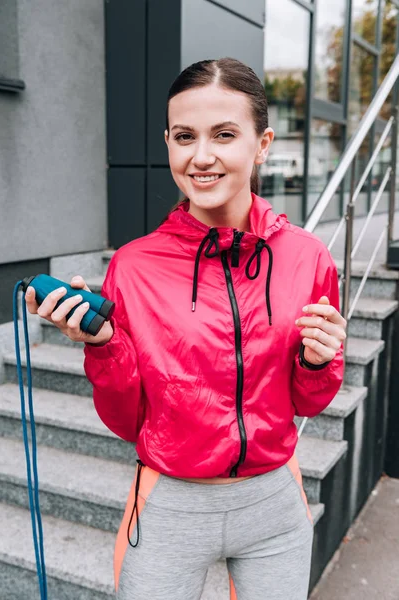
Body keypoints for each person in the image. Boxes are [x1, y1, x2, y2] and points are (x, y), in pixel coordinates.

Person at [26, 58, 346, 600]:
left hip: (272, 505)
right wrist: (103, 349)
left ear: (262, 143)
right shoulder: (132, 265)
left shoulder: (309, 259)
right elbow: (128, 420)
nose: (201, 157)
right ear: (168, 142)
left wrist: (318, 362)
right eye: (184, 136)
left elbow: (308, 400)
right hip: (170, 504)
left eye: (224, 135)